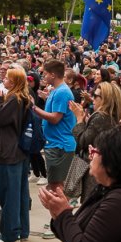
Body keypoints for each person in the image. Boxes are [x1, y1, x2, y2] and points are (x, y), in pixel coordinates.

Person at [0, 67, 32, 242]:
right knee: (21, 192)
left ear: (15, 81)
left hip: (9, 150)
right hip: (21, 150)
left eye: (8, 78)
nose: (5, 80)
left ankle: (10, 233)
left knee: (8, 193)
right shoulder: (25, 97)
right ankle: (22, 229)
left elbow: (0, 119)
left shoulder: (13, 98)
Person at [34, 60, 77, 203]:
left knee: (56, 187)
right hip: (55, 143)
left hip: (60, 144)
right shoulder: (56, 90)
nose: (43, 77)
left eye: (45, 74)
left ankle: (61, 217)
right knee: (55, 185)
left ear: (53, 75)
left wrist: (34, 108)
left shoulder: (62, 92)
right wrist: (46, 98)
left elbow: (55, 118)